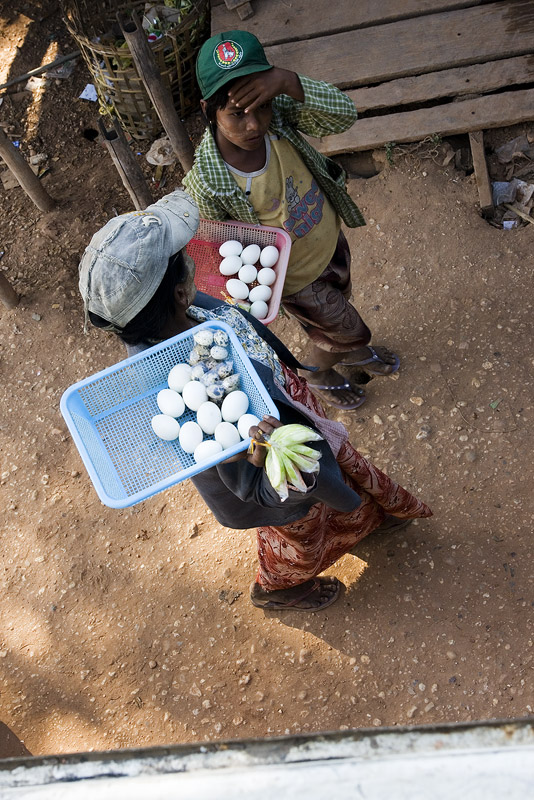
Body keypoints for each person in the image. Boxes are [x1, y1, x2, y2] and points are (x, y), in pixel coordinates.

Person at [79, 190, 431, 612]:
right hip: (283, 483)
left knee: (337, 484)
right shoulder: (193, 396)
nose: (192, 260)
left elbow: (235, 330)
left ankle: (360, 512)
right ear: (178, 293)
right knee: (301, 535)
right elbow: (256, 488)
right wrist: (278, 455)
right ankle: (278, 589)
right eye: (184, 260)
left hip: (291, 416)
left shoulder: (183, 318)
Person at [182, 30, 400, 412]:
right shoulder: (208, 179)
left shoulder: (280, 118)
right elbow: (222, 249)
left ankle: (346, 352)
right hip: (298, 280)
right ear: (207, 111)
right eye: (236, 114)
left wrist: (288, 82)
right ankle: (320, 372)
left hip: (329, 242)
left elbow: (344, 114)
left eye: (261, 106)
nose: (254, 125)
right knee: (346, 328)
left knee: (341, 308)